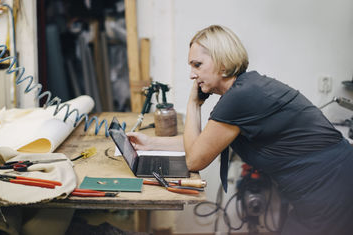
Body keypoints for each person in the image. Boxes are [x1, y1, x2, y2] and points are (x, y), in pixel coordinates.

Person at [126, 25, 353, 235]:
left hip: (332, 186)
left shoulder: (240, 97)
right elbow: (205, 143)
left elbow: (194, 160)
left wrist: (194, 104)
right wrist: (150, 143)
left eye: (197, 65)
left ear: (222, 63)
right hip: (327, 183)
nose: (191, 75)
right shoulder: (244, 89)